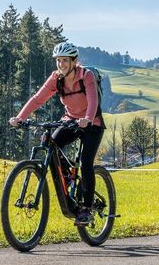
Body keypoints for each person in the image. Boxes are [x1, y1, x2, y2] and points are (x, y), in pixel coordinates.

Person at [9, 42, 105, 226]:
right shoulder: (56, 78)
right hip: (70, 120)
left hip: (92, 123)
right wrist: (20, 117)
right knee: (50, 143)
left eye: (65, 60)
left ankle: (86, 209)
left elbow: (93, 101)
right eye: (59, 60)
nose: (61, 64)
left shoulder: (86, 76)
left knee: (85, 163)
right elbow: (37, 99)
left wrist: (87, 118)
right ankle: (67, 176)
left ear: (74, 61)